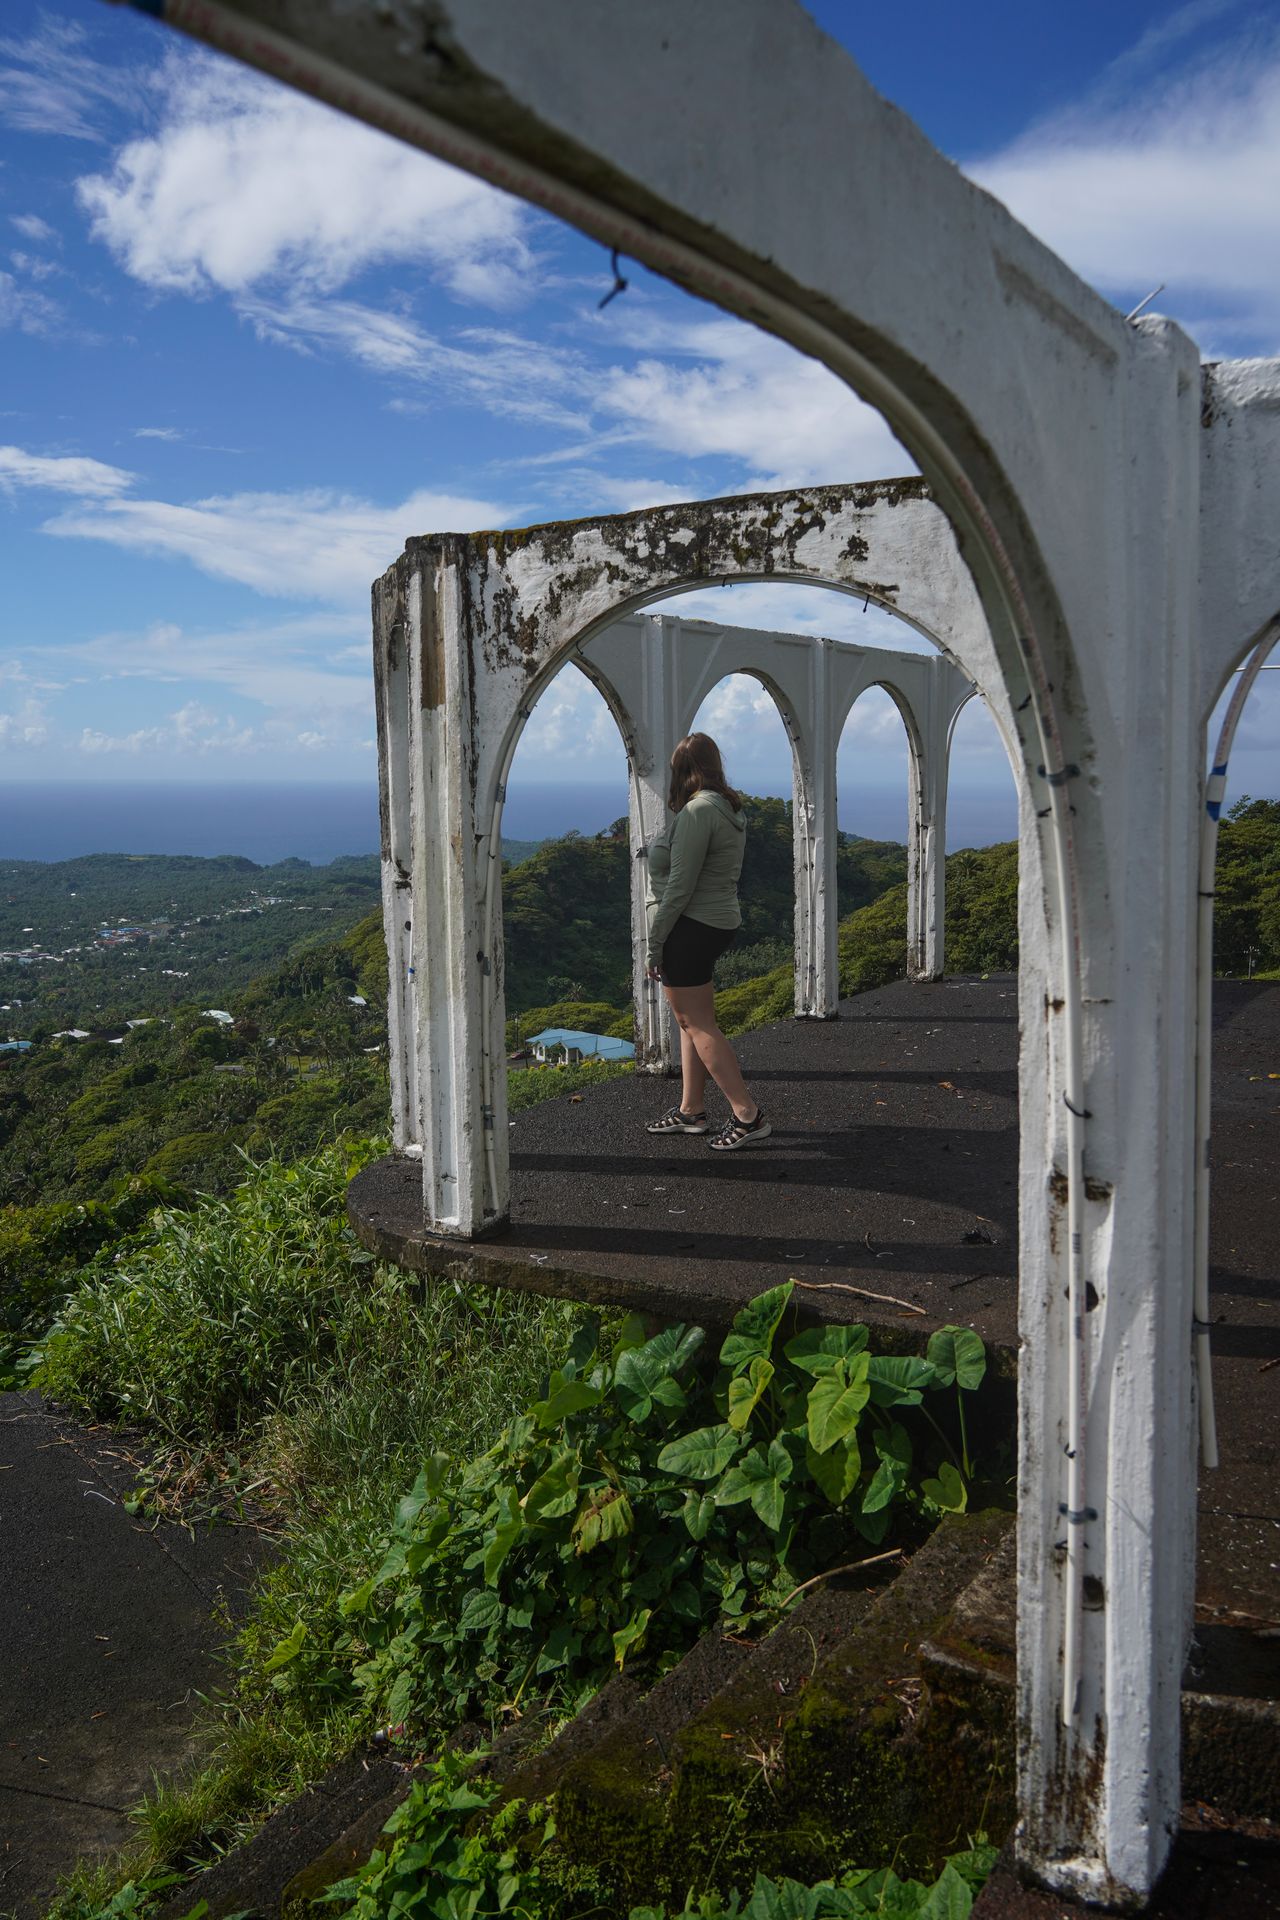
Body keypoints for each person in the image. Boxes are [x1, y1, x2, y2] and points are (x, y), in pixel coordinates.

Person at [643, 732, 771, 1150]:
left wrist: (655, 941)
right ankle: (691, 1111)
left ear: (684, 772)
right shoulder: (727, 807)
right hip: (715, 922)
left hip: (691, 925)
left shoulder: (698, 812)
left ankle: (747, 1115)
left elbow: (680, 886)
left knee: (697, 1024)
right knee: (691, 1022)